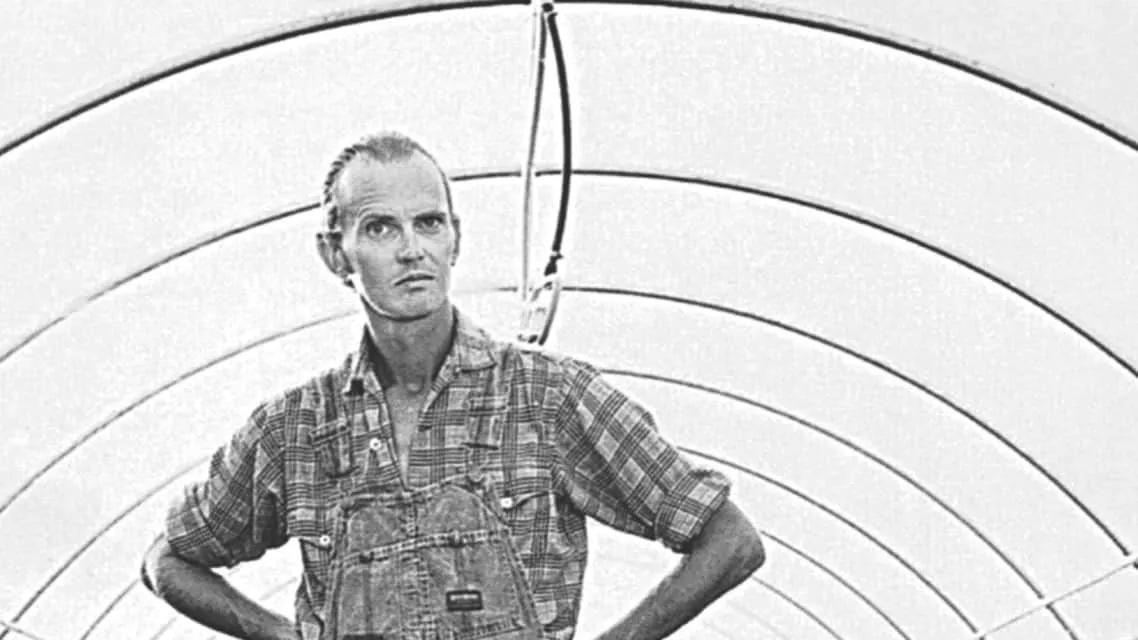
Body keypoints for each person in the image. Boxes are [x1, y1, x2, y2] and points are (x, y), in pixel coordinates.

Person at [141, 131, 765, 640]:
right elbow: (167, 560)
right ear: (335, 254)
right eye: (380, 228)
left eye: (429, 223)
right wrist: (281, 634)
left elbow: (731, 542)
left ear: (455, 239)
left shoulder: (546, 397)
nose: (412, 249)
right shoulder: (297, 427)